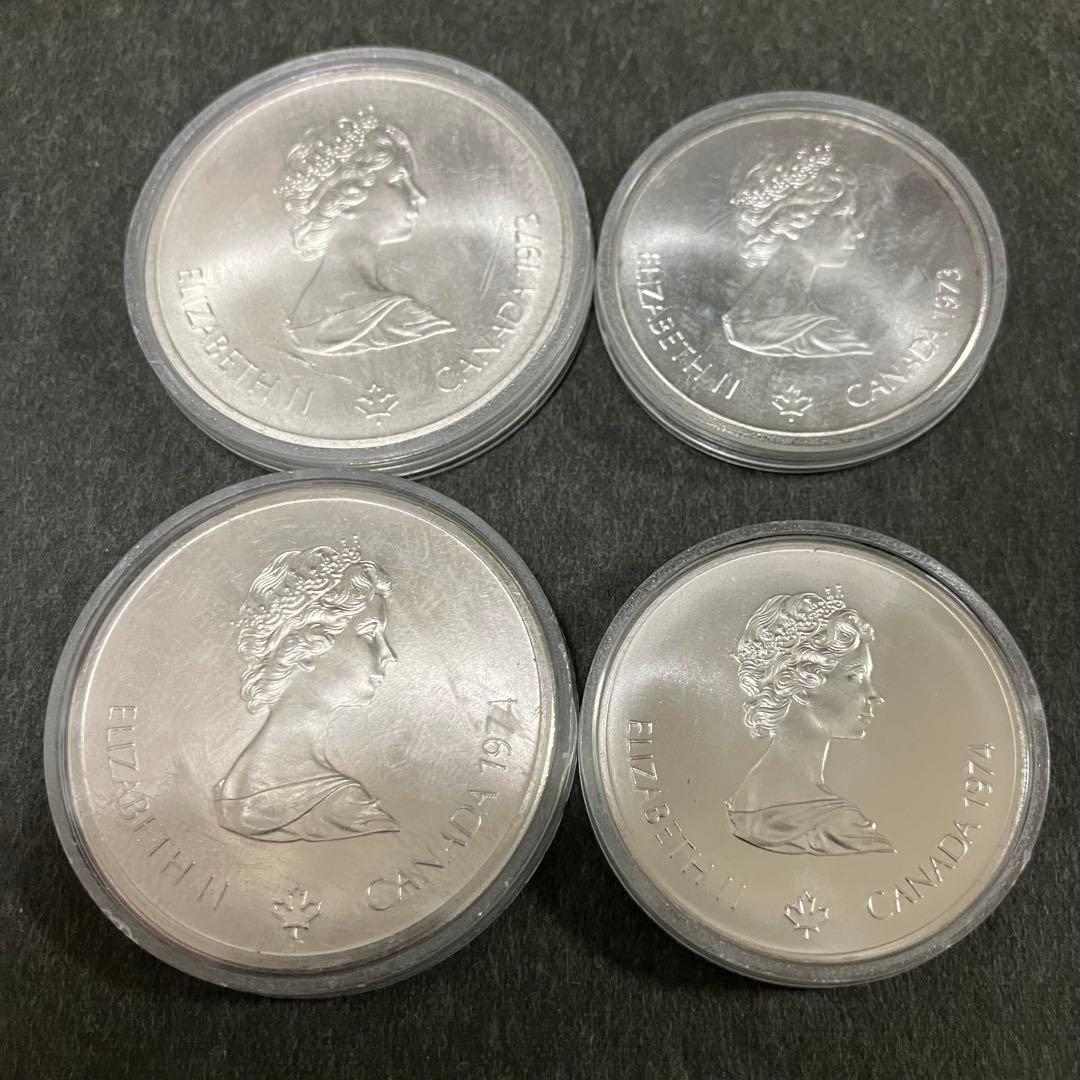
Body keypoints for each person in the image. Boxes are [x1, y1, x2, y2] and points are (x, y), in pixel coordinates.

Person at [213, 540, 400, 843]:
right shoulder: (344, 808)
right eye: (370, 634)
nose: (389, 654)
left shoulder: (232, 790)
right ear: (306, 647)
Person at [726, 587, 894, 856]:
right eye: (855, 677)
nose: (874, 695)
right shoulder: (839, 827)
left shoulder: (746, 801)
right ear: (801, 684)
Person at [276, 107, 454, 358]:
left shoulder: (301, 323)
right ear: (347, 197)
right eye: (398, 181)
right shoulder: (403, 322)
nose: (419, 196)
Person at [722, 144, 872, 360]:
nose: (858, 232)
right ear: (793, 221)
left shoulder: (743, 320)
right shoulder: (823, 335)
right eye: (842, 216)